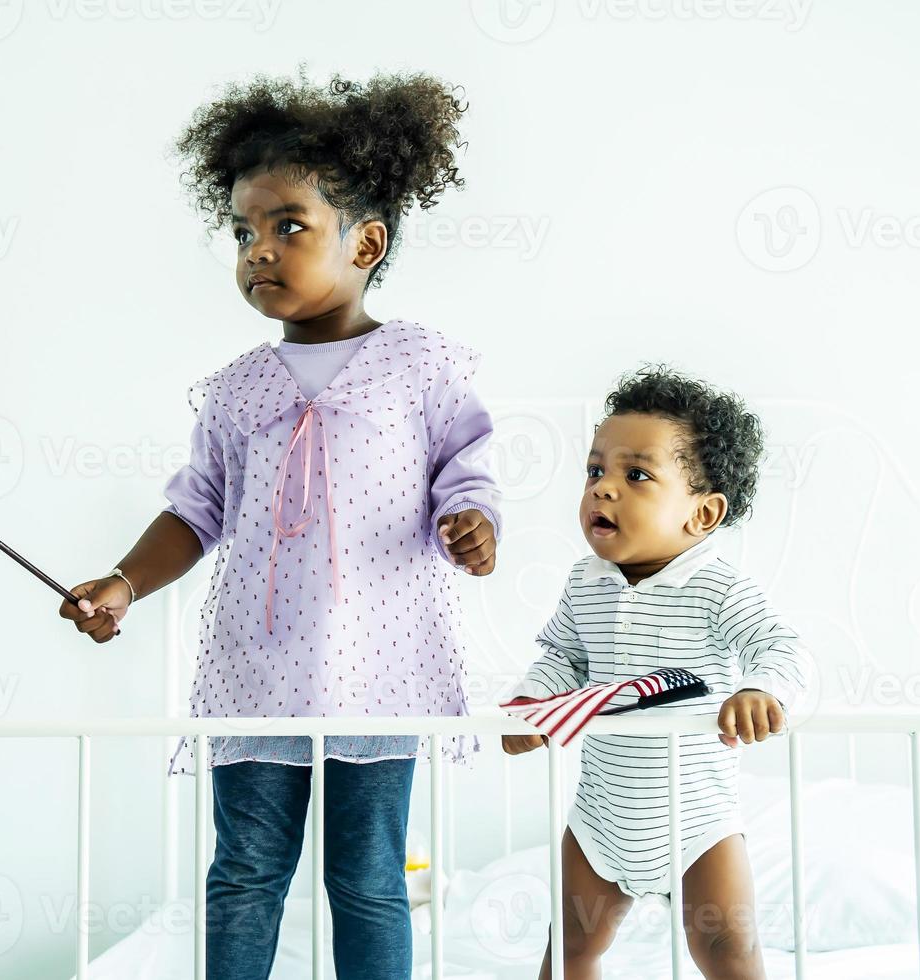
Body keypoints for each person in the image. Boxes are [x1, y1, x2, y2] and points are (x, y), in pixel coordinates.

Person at [59, 66, 503, 980]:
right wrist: (124, 580)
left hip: (378, 669)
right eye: (241, 233)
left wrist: (469, 519)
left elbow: (467, 465)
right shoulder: (237, 389)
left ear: (366, 242)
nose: (257, 250)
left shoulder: (418, 364)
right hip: (258, 672)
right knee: (244, 872)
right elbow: (196, 508)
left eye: (286, 226)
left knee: (369, 877)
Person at [504, 366, 813, 980]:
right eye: (596, 471)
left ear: (702, 515)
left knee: (728, 950)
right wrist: (534, 698)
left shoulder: (717, 589)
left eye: (636, 475)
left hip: (698, 820)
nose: (604, 489)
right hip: (601, 818)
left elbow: (781, 647)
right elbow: (561, 655)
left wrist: (761, 691)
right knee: (570, 948)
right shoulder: (584, 584)